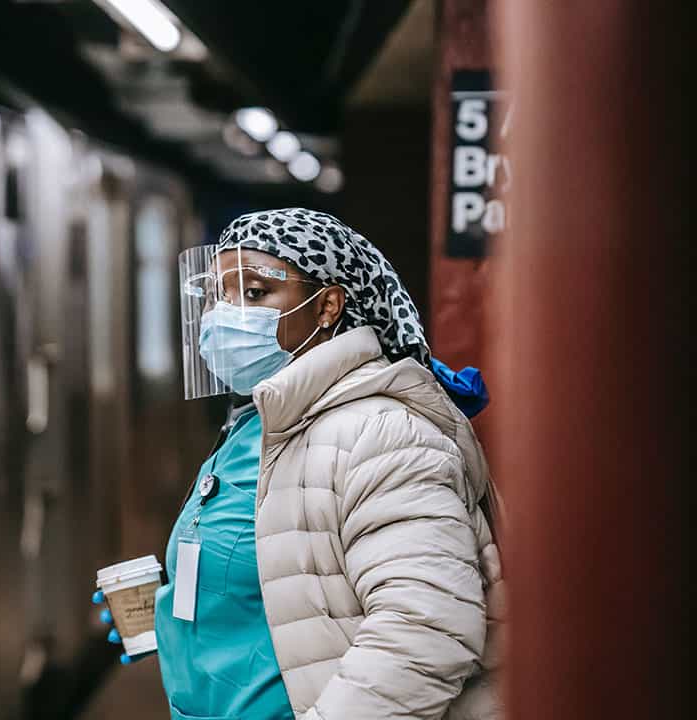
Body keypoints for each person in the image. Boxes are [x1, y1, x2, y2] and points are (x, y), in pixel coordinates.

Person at [94, 208, 502, 720]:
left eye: (257, 292)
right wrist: (183, 616)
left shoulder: (381, 435)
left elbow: (425, 633)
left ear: (328, 306)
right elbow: (290, 580)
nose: (228, 314)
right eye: (220, 295)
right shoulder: (259, 425)